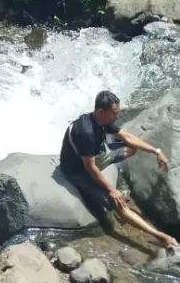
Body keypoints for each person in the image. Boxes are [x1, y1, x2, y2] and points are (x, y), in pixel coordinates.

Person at [60, 90, 178, 250]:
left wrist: (156, 152)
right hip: (79, 170)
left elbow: (129, 138)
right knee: (119, 204)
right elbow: (90, 167)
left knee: (131, 147)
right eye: (114, 113)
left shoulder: (102, 120)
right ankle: (162, 237)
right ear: (101, 111)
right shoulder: (85, 132)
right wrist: (112, 190)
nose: (117, 117)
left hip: (97, 155)